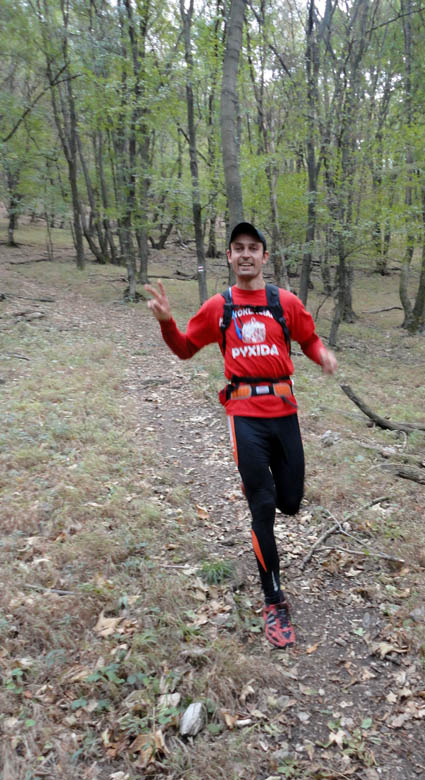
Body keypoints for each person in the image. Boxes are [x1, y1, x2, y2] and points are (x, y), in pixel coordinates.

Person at [145, 222, 337, 648]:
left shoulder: (284, 302)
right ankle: (274, 600)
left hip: (284, 412)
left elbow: (308, 339)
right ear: (230, 257)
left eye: (253, 248)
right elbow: (184, 349)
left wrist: (322, 354)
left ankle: (267, 504)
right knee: (263, 505)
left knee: (290, 502)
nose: (246, 254)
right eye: (238, 248)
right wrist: (166, 322)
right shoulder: (220, 306)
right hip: (244, 414)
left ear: (264, 257)